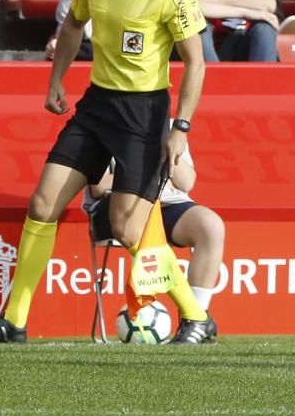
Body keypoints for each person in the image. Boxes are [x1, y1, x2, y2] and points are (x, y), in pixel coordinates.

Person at [0, 0, 215, 345]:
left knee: (126, 229)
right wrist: (56, 80)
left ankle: (196, 317)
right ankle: (15, 322)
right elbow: (74, 25)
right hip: (97, 107)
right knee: (42, 204)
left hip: (143, 114)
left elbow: (196, 63)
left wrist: (181, 128)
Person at [85, 128, 225, 325]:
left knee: (210, 226)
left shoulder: (170, 126)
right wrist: (145, 178)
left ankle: (197, 322)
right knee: (135, 223)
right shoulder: (106, 120)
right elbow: (98, 186)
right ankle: (193, 316)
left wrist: (165, 140)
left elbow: (186, 182)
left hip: (167, 203)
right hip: (119, 205)